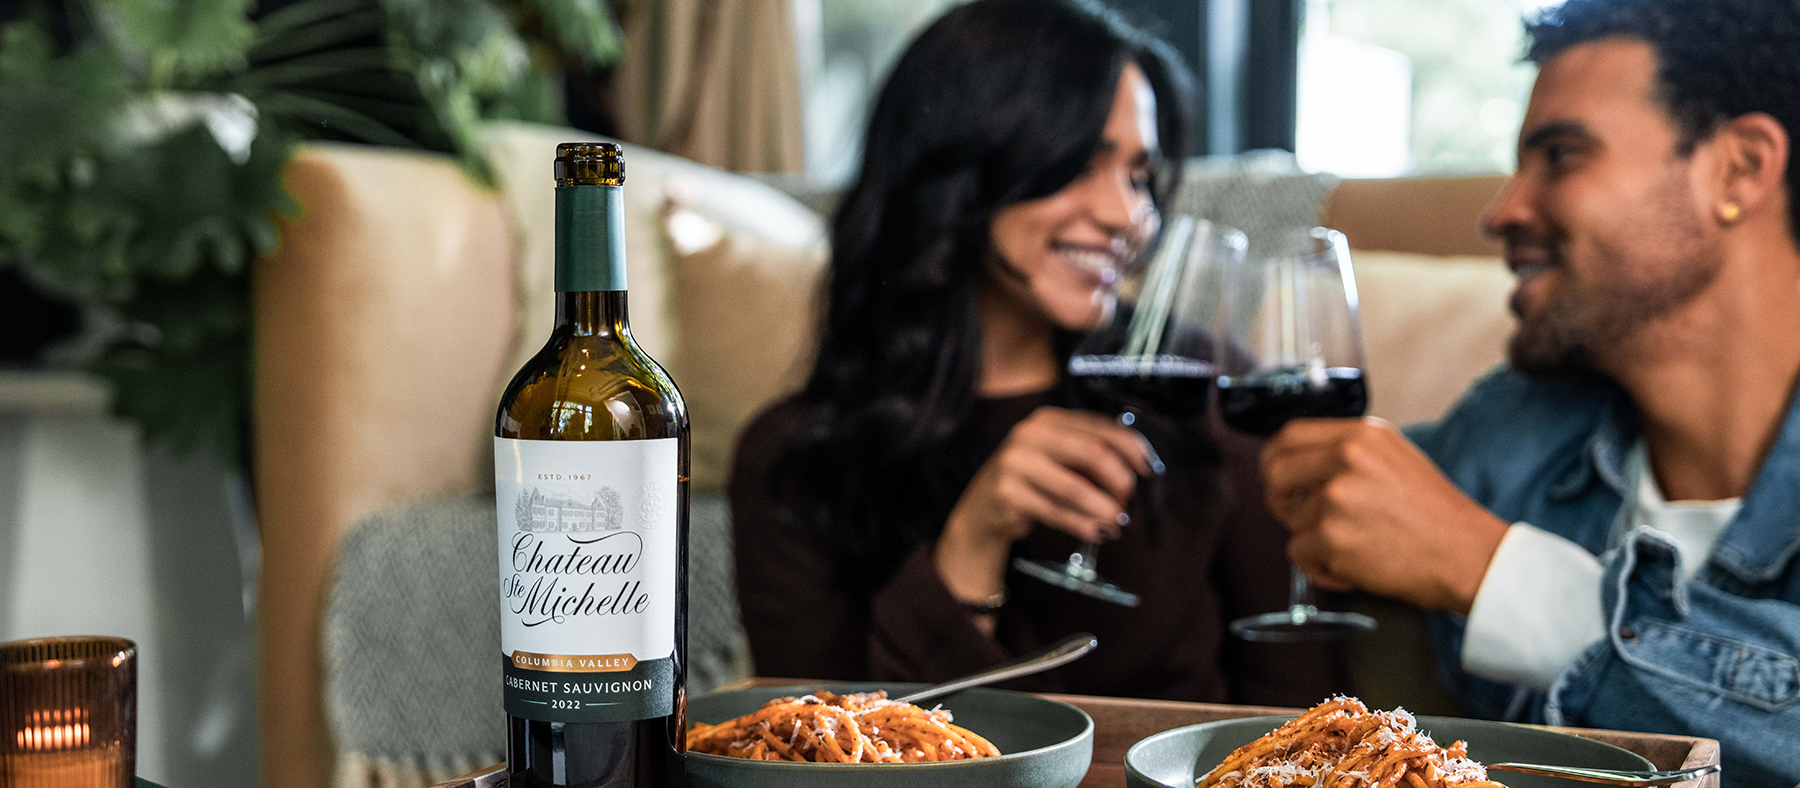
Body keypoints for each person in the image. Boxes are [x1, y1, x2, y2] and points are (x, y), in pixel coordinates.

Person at [728, 0, 1342, 705]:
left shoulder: (1204, 381)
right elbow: (816, 760)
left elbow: (1304, 706)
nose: (1127, 216)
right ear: (960, 166)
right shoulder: (791, 460)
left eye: (1140, 175)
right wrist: (972, 546)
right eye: (1080, 164)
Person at [1256, 0, 1800, 782]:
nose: (1500, 210)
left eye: (1562, 154)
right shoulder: (1509, 428)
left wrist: (1495, 575)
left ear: (1739, 168)